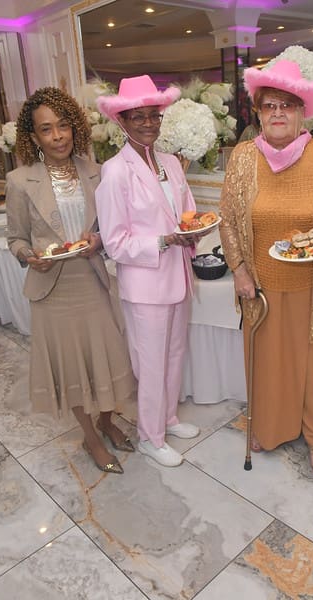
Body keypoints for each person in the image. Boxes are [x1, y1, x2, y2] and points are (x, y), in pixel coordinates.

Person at [219, 60, 313, 475]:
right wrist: (239, 270)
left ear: (302, 112)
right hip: (258, 283)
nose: (278, 113)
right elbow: (228, 219)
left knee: (308, 363)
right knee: (263, 360)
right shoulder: (244, 157)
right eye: (269, 105)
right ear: (259, 113)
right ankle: (267, 426)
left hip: (308, 282)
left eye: (287, 105)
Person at [6, 87, 137, 475]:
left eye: (63, 126)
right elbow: (15, 239)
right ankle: (90, 436)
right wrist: (28, 256)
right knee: (73, 368)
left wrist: (99, 240)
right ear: (34, 137)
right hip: (53, 292)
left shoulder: (98, 172)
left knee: (107, 357)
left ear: (75, 128)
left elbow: (112, 227)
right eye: (46, 129)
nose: (57, 136)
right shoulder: (19, 181)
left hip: (93, 280)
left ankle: (107, 420)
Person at [95, 75, 202, 468]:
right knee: (152, 363)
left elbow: (187, 212)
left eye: (153, 116)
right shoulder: (115, 171)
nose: (148, 123)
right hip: (144, 284)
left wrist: (194, 232)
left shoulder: (171, 163)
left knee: (175, 353)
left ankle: (168, 418)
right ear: (121, 120)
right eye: (137, 116)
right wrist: (162, 241)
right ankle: (149, 437)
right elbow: (115, 241)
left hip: (179, 276)